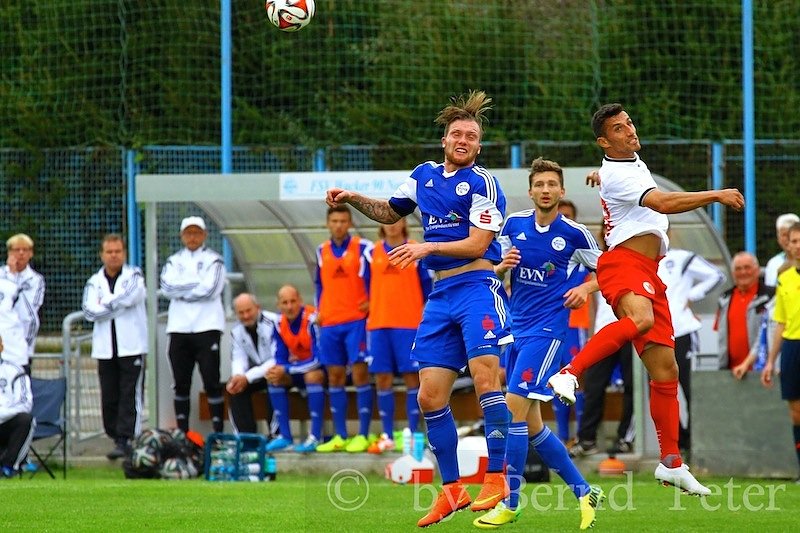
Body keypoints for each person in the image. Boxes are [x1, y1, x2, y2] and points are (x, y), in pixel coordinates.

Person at [326, 90, 514, 527]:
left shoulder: (483, 183)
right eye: (457, 133)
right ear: (445, 140)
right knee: (429, 396)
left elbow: (478, 244)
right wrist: (351, 196)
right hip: (441, 296)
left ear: (478, 146)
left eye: (471, 135)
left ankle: (498, 477)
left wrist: (426, 246)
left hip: (477, 287)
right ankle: (451, 490)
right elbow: (390, 213)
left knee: (487, 378)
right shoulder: (422, 176)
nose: (463, 139)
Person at [547, 103, 744, 496]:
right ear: (604, 141)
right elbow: (663, 203)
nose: (630, 130)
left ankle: (671, 462)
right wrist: (717, 194)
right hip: (624, 263)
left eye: (629, 123)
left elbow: (616, 176)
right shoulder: (619, 173)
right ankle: (570, 371)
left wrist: (600, 175)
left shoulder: (627, 164)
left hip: (649, 270)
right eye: (619, 129)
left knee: (666, 371)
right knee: (639, 320)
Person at [474, 157, 603, 530]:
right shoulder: (513, 225)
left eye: (552, 184)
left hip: (548, 335)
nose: (546, 190)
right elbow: (487, 262)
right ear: (531, 191)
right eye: (539, 184)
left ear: (562, 192)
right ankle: (584, 491)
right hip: (516, 330)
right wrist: (500, 265)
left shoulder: (576, 234)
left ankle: (510, 502)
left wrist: (586, 286)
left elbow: (610, 270)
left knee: (510, 412)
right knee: (531, 426)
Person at [365, 219, 432, 453]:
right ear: (381, 225)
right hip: (379, 324)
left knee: (412, 377)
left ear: (404, 223)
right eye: (387, 222)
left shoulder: (415, 249)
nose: (392, 226)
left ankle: (413, 433)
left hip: (408, 323)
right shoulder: (371, 252)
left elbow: (427, 287)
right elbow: (365, 286)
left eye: (397, 220)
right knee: (382, 378)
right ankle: (387, 433)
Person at [570, 225, 635, 459]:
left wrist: (587, 286)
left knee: (632, 385)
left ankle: (625, 438)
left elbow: (614, 278)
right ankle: (586, 439)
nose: (610, 235)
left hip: (629, 328)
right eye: (607, 231)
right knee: (594, 384)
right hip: (603, 331)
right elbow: (595, 301)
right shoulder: (597, 258)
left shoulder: (631, 256)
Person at [313, 205, 374, 454]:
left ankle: (363, 434)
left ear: (349, 223)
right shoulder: (321, 251)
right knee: (335, 377)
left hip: (356, 322)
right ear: (328, 223)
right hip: (330, 324)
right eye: (334, 220)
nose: (338, 225)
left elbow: (374, 280)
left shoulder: (363, 248)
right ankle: (339, 435)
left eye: (343, 220)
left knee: (360, 375)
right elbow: (319, 284)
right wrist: (320, 310)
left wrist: (371, 301)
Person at [82, 234, 147, 459]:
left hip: (132, 346)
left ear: (124, 253)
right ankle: (114, 437)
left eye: (117, 251)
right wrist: (117, 304)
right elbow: (89, 311)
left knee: (130, 393)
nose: (113, 256)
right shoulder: (94, 281)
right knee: (109, 395)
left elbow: (131, 297)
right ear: (102, 254)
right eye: (109, 252)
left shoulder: (134, 275)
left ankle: (127, 438)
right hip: (105, 348)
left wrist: (106, 303)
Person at [657, 240, 726, 452]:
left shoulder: (681, 257)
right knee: (663, 391)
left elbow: (716, 276)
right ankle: (679, 441)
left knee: (690, 388)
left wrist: (691, 296)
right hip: (657, 334)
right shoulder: (642, 260)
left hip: (683, 332)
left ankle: (700, 441)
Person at [160, 216, 227, 433]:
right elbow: (167, 288)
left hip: (207, 328)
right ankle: (183, 435)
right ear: (181, 236)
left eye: (196, 232)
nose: (192, 237)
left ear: (205, 235)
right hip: (179, 329)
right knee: (181, 383)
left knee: (212, 381)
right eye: (188, 233)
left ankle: (218, 435)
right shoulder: (173, 261)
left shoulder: (214, 260)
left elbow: (211, 289)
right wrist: (195, 284)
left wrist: (182, 291)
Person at [761, 221, 800, 482]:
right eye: (793, 241)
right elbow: (780, 321)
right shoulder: (784, 276)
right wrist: (770, 361)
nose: (796, 246)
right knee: (796, 411)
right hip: (792, 346)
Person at [268, 285, 326, 453]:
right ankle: (285, 436)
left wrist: (287, 369)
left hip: (323, 371)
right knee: (274, 377)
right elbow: (280, 358)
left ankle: (315, 436)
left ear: (300, 301)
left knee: (312, 376)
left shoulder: (311, 319)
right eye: (284, 302)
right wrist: (282, 369)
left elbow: (318, 360)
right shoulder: (279, 323)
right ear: (278, 305)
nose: (289, 306)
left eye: (293, 301)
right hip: (299, 369)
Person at [551, 199, 589, 444]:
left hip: (578, 324)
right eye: (560, 215)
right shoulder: (544, 246)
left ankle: (581, 437)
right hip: (552, 322)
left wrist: (592, 327)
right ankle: (563, 437)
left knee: (578, 378)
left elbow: (596, 285)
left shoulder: (582, 248)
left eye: (568, 216)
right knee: (555, 378)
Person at [715, 252, 774, 378]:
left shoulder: (771, 296)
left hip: (764, 370)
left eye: (747, 267)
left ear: (757, 270)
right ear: (732, 273)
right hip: (731, 372)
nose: (743, 272)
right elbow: (720, 335)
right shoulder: (724, 299)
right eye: (738, 269)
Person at [0, 234, 45, 362]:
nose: (21, 253)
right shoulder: (1, 274)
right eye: (16, 250)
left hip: (23, 340)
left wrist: (12, 280)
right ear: (9, 252)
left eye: (25, 250)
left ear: (31, 253)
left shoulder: (36, 280)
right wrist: (11, 274)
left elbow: (29, 307)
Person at [0, 336, 34, 478]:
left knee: (26, 419)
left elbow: (25, 403)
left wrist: (2, 413)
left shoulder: (15, 371)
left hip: (7, 423)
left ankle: (9, 466)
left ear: (1, 347)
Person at [764, 213, 800, 287]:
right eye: (784, 234)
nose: (788, 238)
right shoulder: (773, 264)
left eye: (790, 234)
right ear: (778, 238)